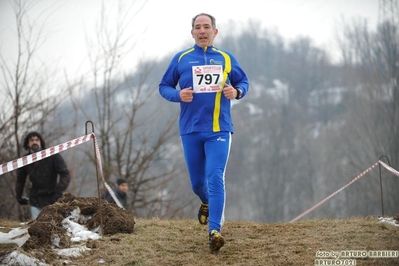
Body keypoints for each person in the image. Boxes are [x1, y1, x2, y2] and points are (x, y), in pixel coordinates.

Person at [159, 13, 249, 252]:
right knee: (198, 184)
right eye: (197, 27)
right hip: (190, 130)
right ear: (192, 33)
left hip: (219, 129)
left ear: (215, 31)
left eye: (206, 27)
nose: (202, 31)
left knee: (215, 176)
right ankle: (206, 202)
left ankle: (214, 230)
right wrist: (178, 95)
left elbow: (244, 83)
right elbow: (164, 86)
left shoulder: (226, 58)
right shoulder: (182, 58)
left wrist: (236, 92)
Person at [15, 132, 70, 220]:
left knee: (54, 225)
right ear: (27, 143)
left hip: (53, 197)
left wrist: (59, 189)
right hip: (36, 198)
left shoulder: (52, 155)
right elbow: (20, 180)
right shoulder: (25, 160)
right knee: (37, 227)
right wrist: (19, 196)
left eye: (37, 140)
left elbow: (65, 173)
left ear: (41, 142)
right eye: (32, 140)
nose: (34, 142)